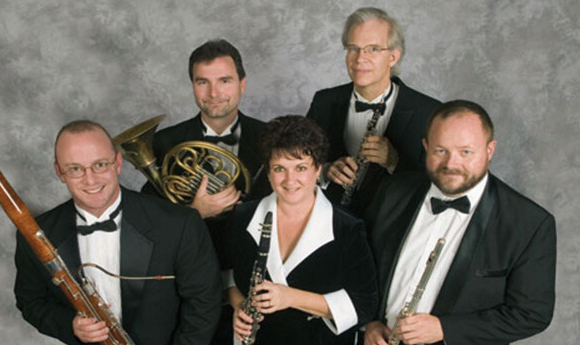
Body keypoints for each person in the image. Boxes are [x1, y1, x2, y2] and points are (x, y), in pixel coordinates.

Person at [363, 100, 556, 345]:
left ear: (489, 150)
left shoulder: (529, 224)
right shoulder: (392, 192)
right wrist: (368, 322)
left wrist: (445, 329)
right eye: (440, 151)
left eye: (466, 152)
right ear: (426, 146)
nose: (451, 164)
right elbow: (357, 269)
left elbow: (532, 314)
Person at [14, 120, 222, 345]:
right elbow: (31, 301)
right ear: (60, 172)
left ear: (118, 163)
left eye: (100, 165)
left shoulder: (178, 224)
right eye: (75, 169)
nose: (90, 179)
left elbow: (204, 303)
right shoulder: (38, 233)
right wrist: (70, 325)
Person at [228, 115, 377, 345]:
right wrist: (239, 306)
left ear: (318, 169)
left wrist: (291, 297)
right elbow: (229, 276)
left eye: (300, 168)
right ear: (268, 172)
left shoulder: (347, 228)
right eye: (279, 168)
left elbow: (364, 304)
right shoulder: (244, 215)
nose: (290, 180)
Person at [306, 7, 440, 214]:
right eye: (353, 48)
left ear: (393, 57)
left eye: (373, 49)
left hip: (392, 229)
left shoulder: (429, 112)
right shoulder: (323, 101)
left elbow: (439, 184)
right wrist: (324, 171)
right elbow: (298, 159)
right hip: (330, 223)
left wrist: (394, 161)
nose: (360, 58)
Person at [143, 38, 269, 217]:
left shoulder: (272, 137)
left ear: (242, 85)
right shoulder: (164, 142)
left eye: (224, 81)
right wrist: (194, 212)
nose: (214, 93)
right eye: (203, 82)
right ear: (193, 86)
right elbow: (151, 215)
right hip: (194, 244)